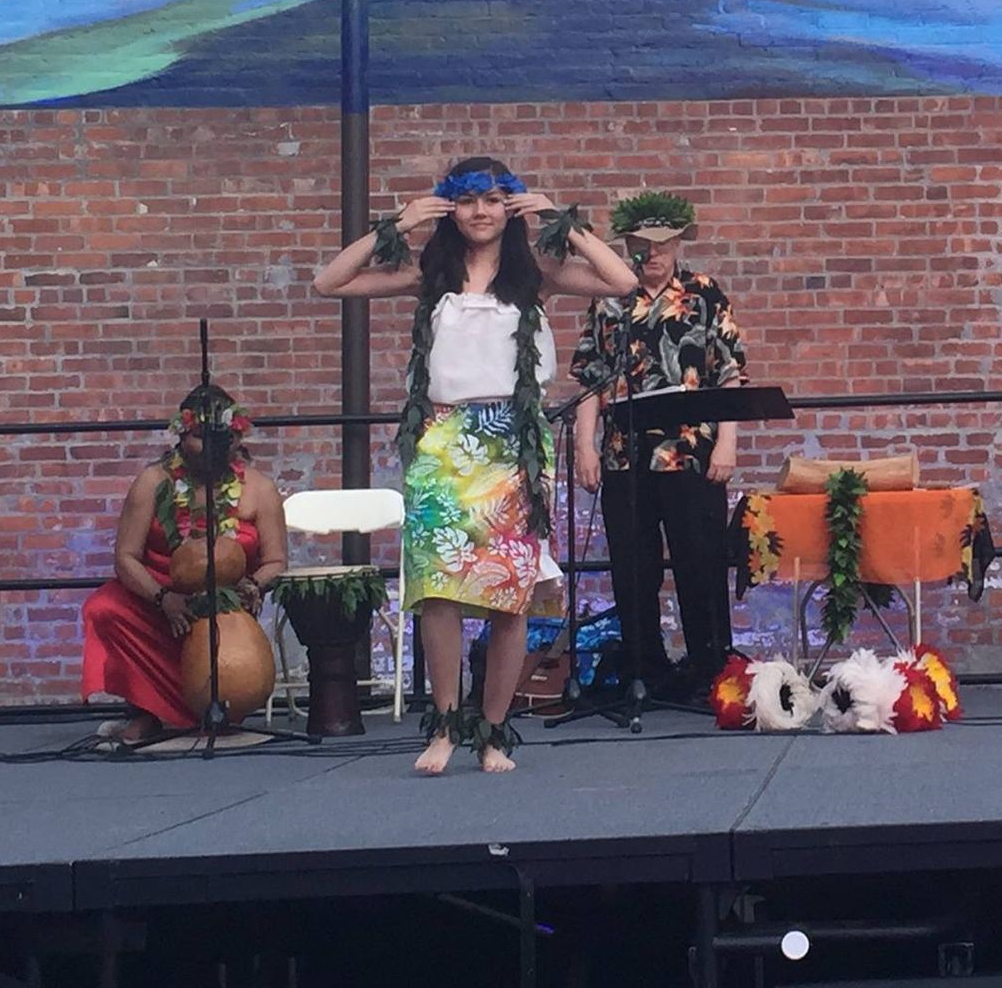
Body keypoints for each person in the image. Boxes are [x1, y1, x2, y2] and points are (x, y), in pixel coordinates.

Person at [315, 157, 635, 774]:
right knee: (439, 589)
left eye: (493, 200)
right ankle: (442, 724)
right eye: (466, 202)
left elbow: (621, 282)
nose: (480, 213)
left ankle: (492, 731)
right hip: (440, 439)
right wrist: (398, 223)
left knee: (507, 593)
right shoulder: (427, 271)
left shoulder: (536, 270)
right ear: (449, 210)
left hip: (512, 441)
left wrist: (559, 220)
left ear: (509, 206)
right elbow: (329, 282)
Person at [572, 191, 746, 702]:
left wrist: (727, 445)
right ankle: (645, 667)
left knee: (701, 559)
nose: (652, 256)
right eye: (642, 247)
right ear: (628, 248)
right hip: (626, 454)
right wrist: (585, 445)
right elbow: (590, 379)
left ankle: (711, 665)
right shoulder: (609, 300)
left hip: (691, 451)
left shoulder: (705, 294)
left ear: (676, 246)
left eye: (662, 246)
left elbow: (729, 373)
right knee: (632, 566)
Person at [82, 385, 287, 744]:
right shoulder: (152, 482)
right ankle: (149, 710)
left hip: (227, 602)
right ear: (180, 435)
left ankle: (219, 707)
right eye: (199, 438)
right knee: (103, 607)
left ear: (237, 439)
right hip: (160, 596)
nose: (210, 449)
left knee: (225, 642)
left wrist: (253, 586)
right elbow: (126, 557)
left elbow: (276, 561)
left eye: (221, 439)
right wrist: (163, 598)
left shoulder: (259, 489)